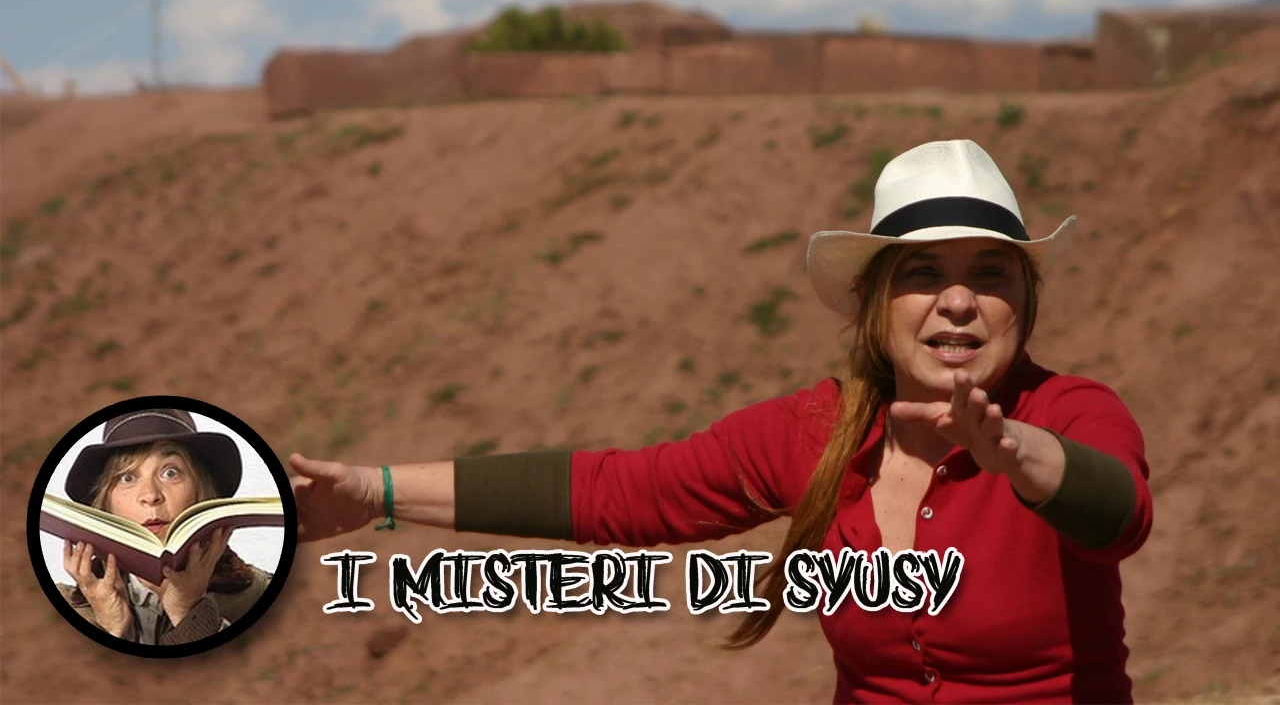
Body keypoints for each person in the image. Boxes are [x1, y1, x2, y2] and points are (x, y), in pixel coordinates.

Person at [288, 140, 1153, 703]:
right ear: (873, 301)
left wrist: (1022, 458)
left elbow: (1118, 514)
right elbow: (623, 493)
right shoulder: (817, 432)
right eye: (924, 272)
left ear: (1023, 299)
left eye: (991, 274)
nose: (959, 301)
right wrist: (375, 492)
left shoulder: (1071, 411)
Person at [56, 408, 273, 645]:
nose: (150, 495)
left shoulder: (261, 594)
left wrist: (190, 611)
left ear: (201, 493)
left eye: (170, 473)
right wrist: (110, 628)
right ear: (106, 504)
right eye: (127, 477)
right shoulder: (62, 607)